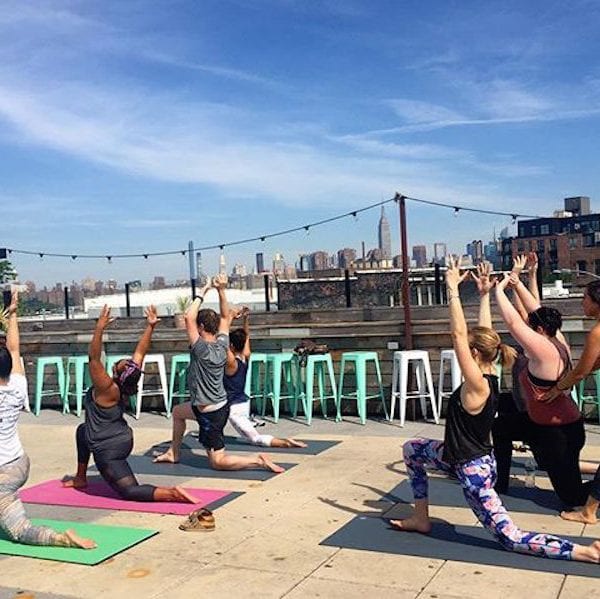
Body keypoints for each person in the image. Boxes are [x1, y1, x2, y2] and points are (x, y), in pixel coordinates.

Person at [391, 259, 600, 563]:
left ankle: (583, 551)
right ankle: (420, 517)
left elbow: (459, 336)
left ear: (474, 354)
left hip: (473, 470)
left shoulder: (476, 384)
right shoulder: (490, 373)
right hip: (452, 455)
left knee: (510, 539)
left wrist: (453, 290)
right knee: (412, 449)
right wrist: (484, 295)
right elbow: (485, 333)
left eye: (467, 350)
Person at [63, 305, 196, 504]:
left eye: (124, 362)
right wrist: (150, 326)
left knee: (130, 491)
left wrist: (99, 328)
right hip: (120, 438)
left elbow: (94, 358)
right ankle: (80, 477)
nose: (126, 361)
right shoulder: (127, 382)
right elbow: (140, 352)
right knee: (83, 430)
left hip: (108, 449)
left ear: (116, 372)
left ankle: (172, 493)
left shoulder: (107, 388)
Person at [153, 275, 283, 473]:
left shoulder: (201, 349)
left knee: (218, 461)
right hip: (209, 405)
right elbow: (224, 317)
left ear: (201, 327)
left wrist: (204, 290)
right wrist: (221, 290)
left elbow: (188, 317)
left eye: (197, 326)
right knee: (178, 413)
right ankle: (174, 452)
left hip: (210, 412)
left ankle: (258, 461)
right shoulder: (222, 344)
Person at [0, 291, 95, 549]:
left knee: (20, 531)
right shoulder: (17, 385)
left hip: (4, 475)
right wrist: (13, 314)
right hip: (19, 463)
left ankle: (61, 538)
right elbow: (14, 348)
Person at [495, 257, 589, 509]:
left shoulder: (544, 350)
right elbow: (535, 308)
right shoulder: (556, 336)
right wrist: (517, 283)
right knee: (501, 428)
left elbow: (513, 323)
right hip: (539, 424)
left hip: (560, 432)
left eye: (531, 326)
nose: (527, 327)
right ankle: (499, 483)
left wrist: (498, 290)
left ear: (537, 331)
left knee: (572, 497)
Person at [541, 279, 600, 524]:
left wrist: (558, 388)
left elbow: (581, 371)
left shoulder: (597, 332)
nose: (582, 302)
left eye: (585, 298)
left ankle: (588, 512)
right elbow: (594, 364)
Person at [225, 306, 306, 449]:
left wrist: (230, 318)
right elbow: (246, 336)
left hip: (234, 409)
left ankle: (286, 442)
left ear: (231, 345)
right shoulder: (245, 357)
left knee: (255, 439)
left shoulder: (231, 363)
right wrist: (245, 319)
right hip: (242, 404)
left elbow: (222, 340)